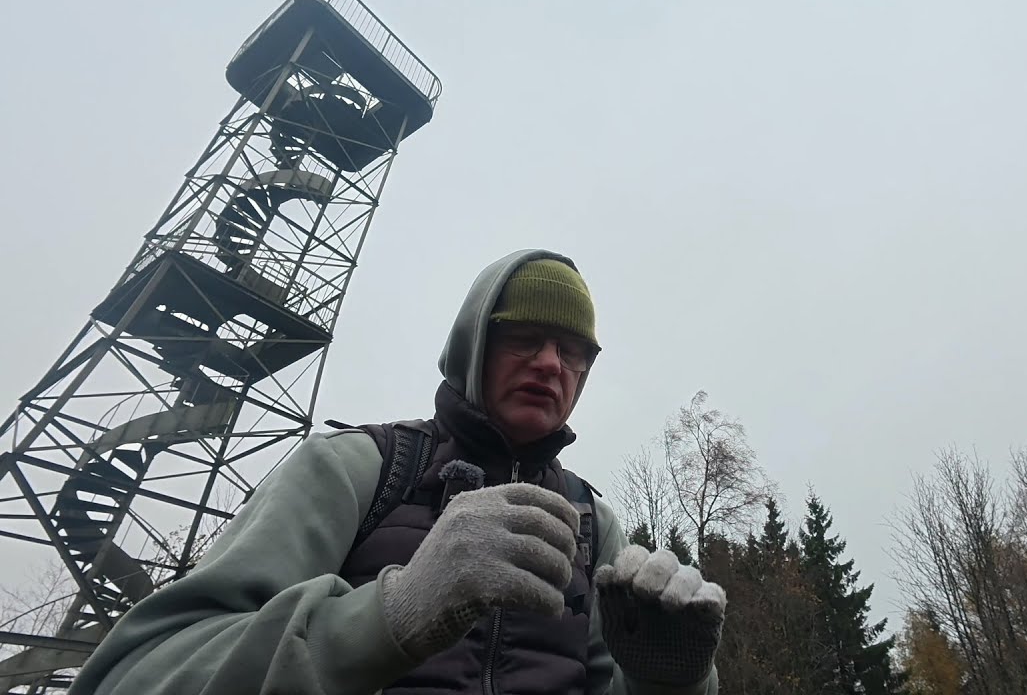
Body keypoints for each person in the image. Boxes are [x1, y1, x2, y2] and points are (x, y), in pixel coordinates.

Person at [70, 249, 725, 695]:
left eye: (575, 352)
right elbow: (132, 676)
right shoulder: (354, 469)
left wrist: (674, 682)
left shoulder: (593, 524)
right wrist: (393, 614)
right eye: (525, 337)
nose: (553, 364)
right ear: (473, 344)